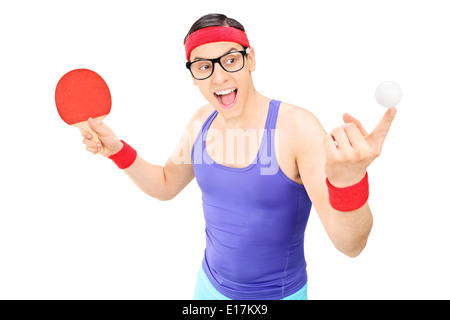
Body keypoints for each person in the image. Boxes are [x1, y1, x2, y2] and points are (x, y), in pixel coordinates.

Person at [79, 13, 397, 300]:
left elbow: (350, 245)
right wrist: (116, 149)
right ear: (193, 75)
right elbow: (165, 184)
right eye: (204, 66)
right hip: (208, 289)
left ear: (251, 59)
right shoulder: (201, 121)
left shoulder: (298, 128)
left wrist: (348, 182)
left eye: (230, 60)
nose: (219, 78)